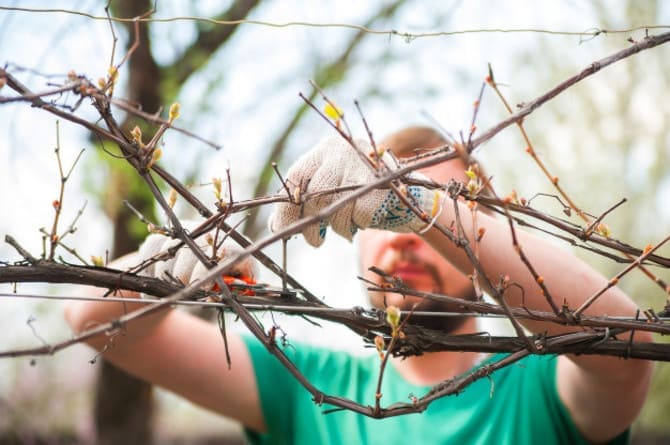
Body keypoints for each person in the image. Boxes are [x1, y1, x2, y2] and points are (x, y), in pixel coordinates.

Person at [65, 126, 652, 444]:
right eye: (377, 213)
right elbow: (90, 322)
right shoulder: (306, 387)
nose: (405, 236)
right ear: (354, 233)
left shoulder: (545, 390)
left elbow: (626, 348)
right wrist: (156, 270)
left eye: (440, 218)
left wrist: (412, 204)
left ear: (484, 250)